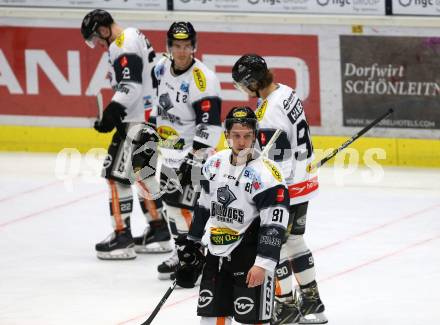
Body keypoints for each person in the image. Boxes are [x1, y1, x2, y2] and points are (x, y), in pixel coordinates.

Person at [232, 54, 328, 324]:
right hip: (305, 180)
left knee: (277, 245)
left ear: (252, 82)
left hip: (288, 186)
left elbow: (279, 159)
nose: (242, 90)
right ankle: (313, 305)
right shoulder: (285, 92)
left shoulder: (269, 111)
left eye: (243, 84)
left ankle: (286, 306)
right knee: (295, 241)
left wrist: (271, 191)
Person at [174, 106, 289, 324]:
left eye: (247, 136)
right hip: (216, 254)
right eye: (236, 135)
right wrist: (193, 245)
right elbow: (204, 207)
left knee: (252, 321)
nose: (242, 142)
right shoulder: (214, 164)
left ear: (255, 135)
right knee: (210, 319)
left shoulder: (268, 176)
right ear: (226, 135)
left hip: (249, 257)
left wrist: (263, 264)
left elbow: (273, 225)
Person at [80, 9, 171, 260]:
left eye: (97, 39)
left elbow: (131, 86)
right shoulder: (134, 36)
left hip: (135, 121)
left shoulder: (123, 43)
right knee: (144, 175)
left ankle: (122, 237)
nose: (98, 44)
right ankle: (159, 230)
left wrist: (112, 112)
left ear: (103, 29)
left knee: (115, 176)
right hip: (148, 118)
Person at [150, 21, 223, 279]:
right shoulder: (160, 69)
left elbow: (210, 125)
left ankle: (196, 256)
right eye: (177, 46)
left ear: (194, 46)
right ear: (168, 47)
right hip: (169, 151)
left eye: (187, 46)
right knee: (171, 207)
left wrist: (194, 159)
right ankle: (183, 252)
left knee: (187, 208)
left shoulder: (203, 80)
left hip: (195, 155)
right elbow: (157, 106)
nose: (182, 51)